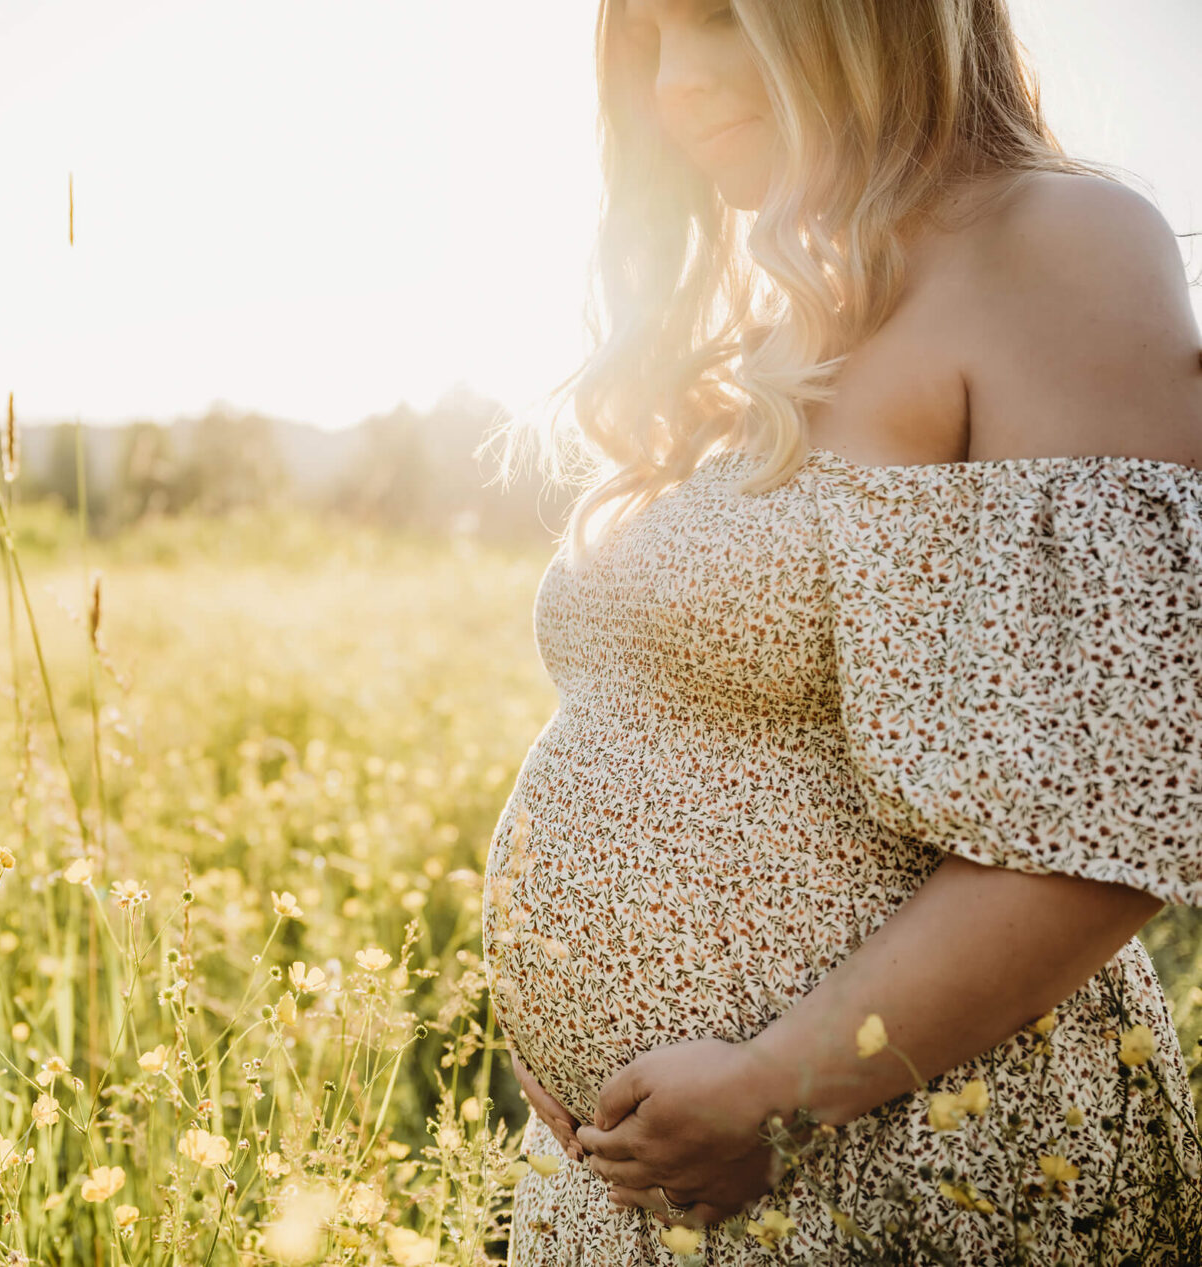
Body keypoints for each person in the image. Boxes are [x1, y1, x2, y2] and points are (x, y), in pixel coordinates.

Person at [474, 0, 1202, 1261]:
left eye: (715, 23)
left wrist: (777, 1089)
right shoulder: (778, 303)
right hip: (648, 1177)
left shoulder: (1056, 243)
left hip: (908, 1154)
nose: (676, 91)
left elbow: (1105, 804)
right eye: (648, 42)